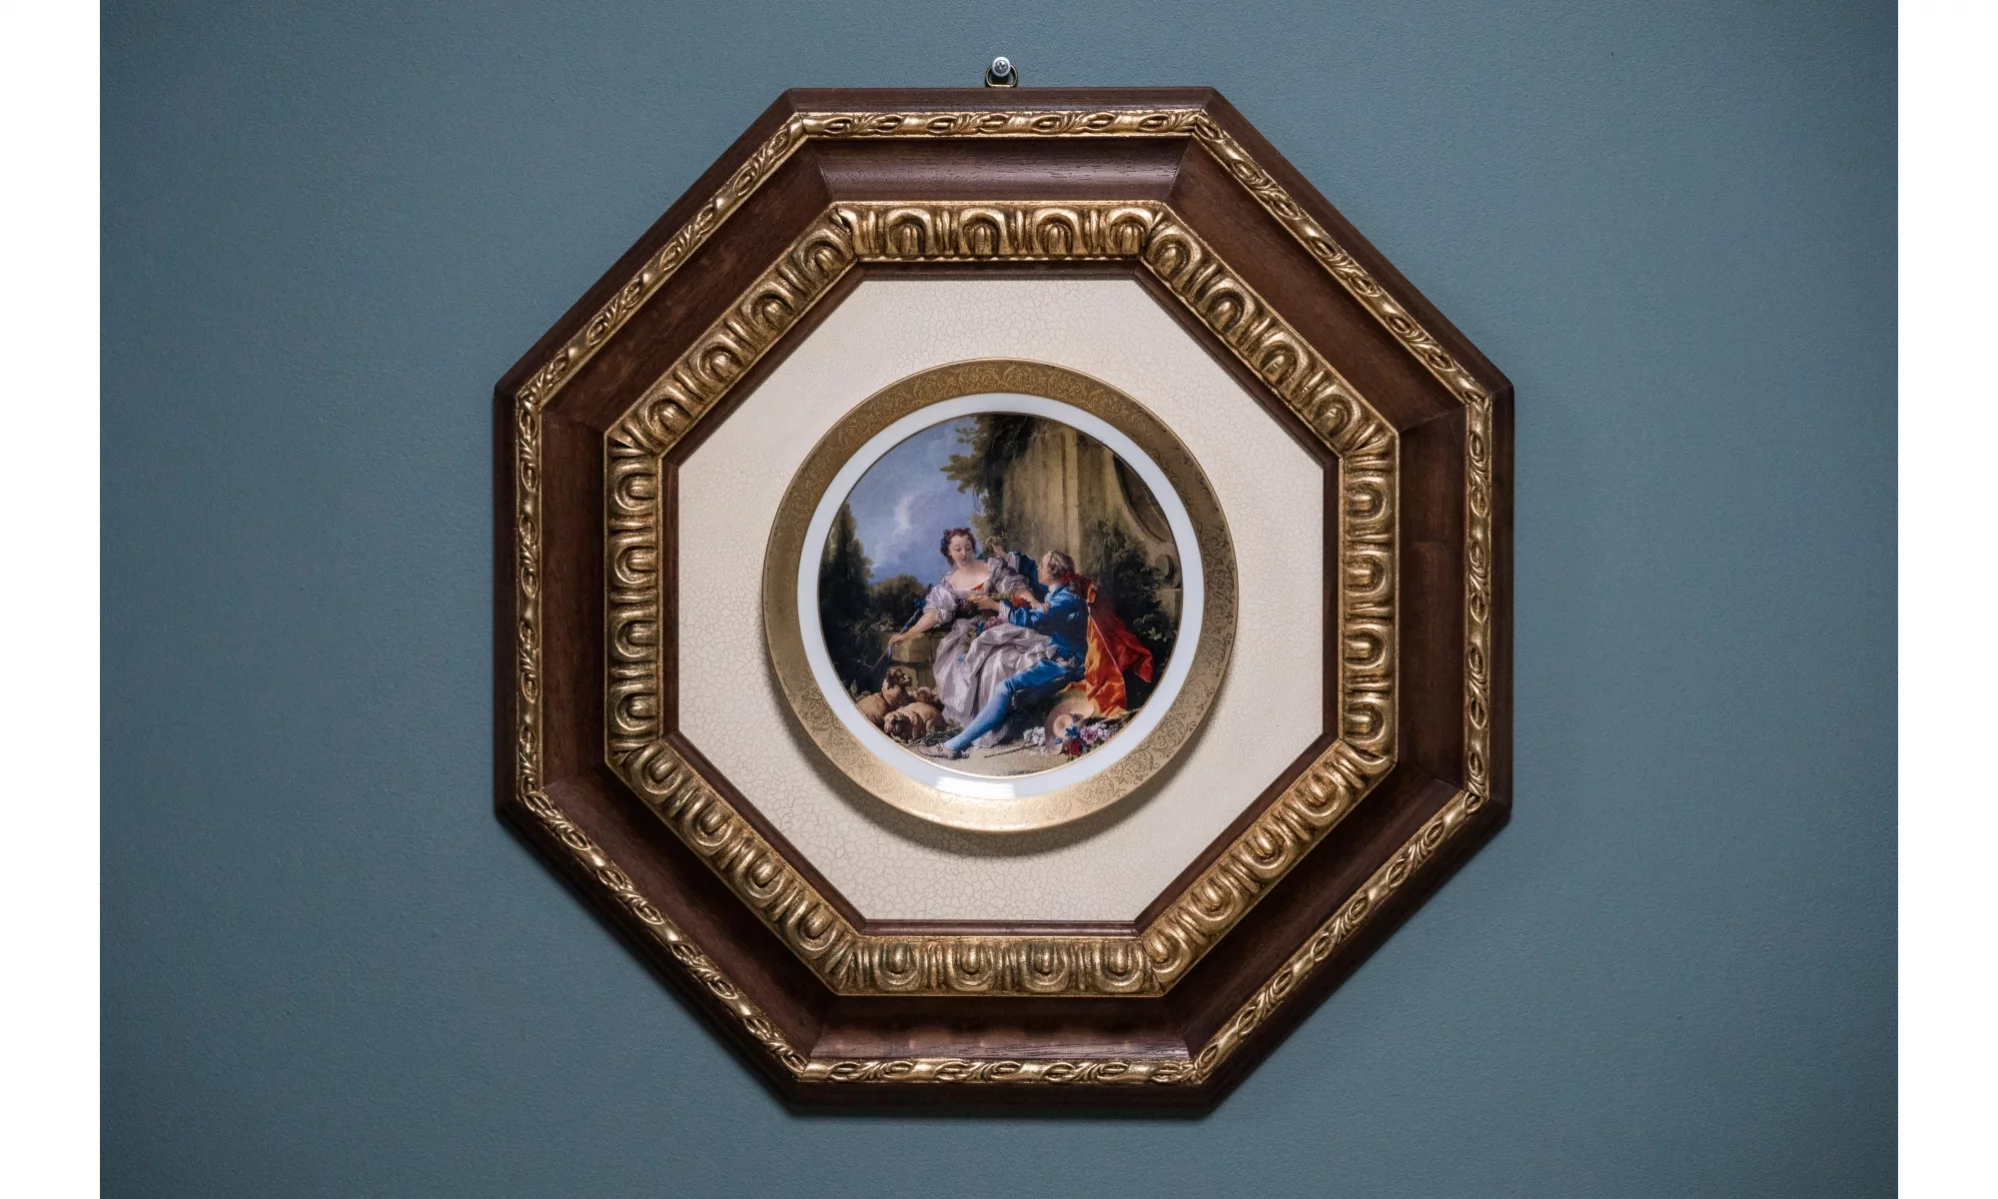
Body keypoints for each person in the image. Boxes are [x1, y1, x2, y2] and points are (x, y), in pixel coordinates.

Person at [886, 529, 1053, 750]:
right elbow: (933, 615)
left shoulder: (991, 567)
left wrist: (1034, 602)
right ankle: (981, 727)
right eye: (957, 549)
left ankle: (1005, 721)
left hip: (999, 624)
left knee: (1001, 662)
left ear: (973, 547)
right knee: (963, 666)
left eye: (967, 547)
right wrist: (907, 634)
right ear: (948, 552)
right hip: (969, 633)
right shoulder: (949, 582)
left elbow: (1017, 589)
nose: (963, 553)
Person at [937, 550, 1090, 759]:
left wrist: (993, 605)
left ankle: (954, 746)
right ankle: (960, 741)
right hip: (1056, 651)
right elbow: (1033, 583)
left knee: (1005, 686)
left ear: (1054, 573)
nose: (1038, 568)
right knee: (1000, 655)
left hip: (1066, 662)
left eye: (1042, 566)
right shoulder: (1057, 593)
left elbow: (1032, 619)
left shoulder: (1066, 599)